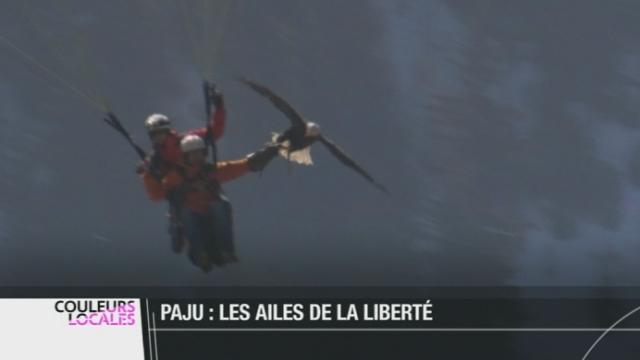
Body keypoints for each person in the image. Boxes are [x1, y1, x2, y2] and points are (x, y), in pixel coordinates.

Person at [152, 134, 279, 272]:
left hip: (210, 213)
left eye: (199, 153)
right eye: (192, 154)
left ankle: (226, 251)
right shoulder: (174, 177)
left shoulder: (211, 171)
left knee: (221, 205)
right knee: (187, 214)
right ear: (185, 156)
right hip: (190, 215)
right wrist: (149, 175)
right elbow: (158, 193)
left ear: (204, 153)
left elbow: (240, 166)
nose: (197, 157)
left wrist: (267, 154)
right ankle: (199, 254)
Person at [139, 85, 226, 252]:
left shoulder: (187, 141)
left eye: (159, 133)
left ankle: (219, 248)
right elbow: (157, 185)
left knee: (220, 209)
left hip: (202, 185)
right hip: (180, 194)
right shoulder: (155, 158)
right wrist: (146, 172)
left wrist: (219, 108)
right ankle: (193, 246)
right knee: (180, 221)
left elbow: (215, 132)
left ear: (167, 131)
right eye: (154, 135)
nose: (157, 138)